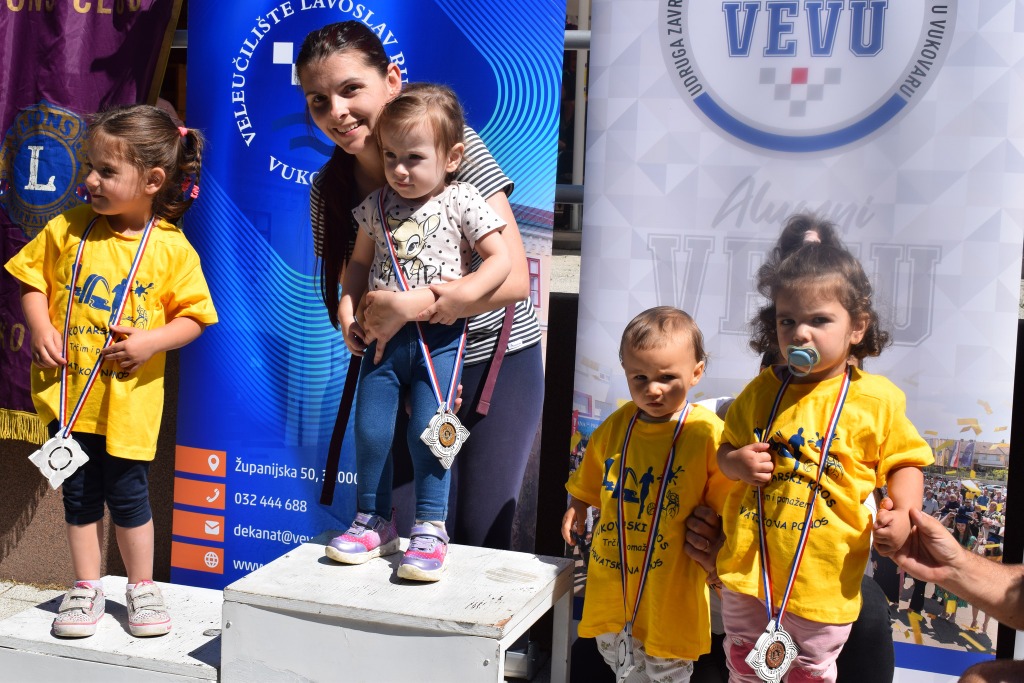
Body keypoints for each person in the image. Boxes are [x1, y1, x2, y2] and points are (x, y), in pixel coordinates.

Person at [296, 21, 544, 552]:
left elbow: (514, 279)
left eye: (350, 89)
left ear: (391, 79)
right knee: (403, 530)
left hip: (492, 363)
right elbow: (351, 280)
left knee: (480, 536)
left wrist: (412, 307)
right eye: (318, 100)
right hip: (397, 367)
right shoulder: (327, 190)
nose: (337, 111)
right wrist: (352, 319)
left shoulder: (453, 145)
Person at [4, 104, 217, 637]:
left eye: (106, 171)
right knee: (78, 497)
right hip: (70, 401)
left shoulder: (171, 248)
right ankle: (85, 587)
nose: (90, 181)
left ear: (152, 181)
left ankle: (141, 588)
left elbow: (195, 318)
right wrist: (40, 326)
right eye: (90, 167)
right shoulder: (67, 228)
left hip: (129, 408)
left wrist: (152, 341)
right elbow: (31, 281)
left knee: (129, 498)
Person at [715, 214, 932, 682]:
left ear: (857, 327)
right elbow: (725, 449)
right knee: (744, 663)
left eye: (819, 320)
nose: (800, 333)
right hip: (749, 571)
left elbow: (907, 462)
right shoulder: (760, 391)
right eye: (787, 320)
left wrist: (903, 513)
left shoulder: (876, 400)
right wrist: (735, 462)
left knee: (808, 670)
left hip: (822, 580)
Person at [324, 84, 511, 581]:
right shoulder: (375, 205)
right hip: (381, 344)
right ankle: (373, 520)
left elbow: (502, 261)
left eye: (414, 157)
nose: (400, 170)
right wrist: (347, 309)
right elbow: (357, 266)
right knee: (371, 430)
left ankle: (430, 526)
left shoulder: (463, 200)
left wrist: (464, 296)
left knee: (431, 430)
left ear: (452, 158)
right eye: (391, 156)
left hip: (439, 341)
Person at [562, 307, 733, 682]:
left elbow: (729, 504)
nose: (652, 389)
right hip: (615, 586)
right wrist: (578, 503)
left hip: (671, 592)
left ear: (696, 373)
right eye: (639, 377)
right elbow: (592, 472)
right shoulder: (617, 424)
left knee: (668, 671)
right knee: (620, 666)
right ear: (624, 369)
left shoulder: (707, 434)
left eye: (667, 377)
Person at [891, 505, 1024, 682]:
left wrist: (964, 561)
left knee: (958, 598)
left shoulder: (973, 538)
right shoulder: (953, 535)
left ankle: (961, 617)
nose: (960, 527)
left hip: (973, 572)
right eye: (959, 524)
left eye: (962, 525)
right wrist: (953, 568)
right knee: (948, 596)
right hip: (957, 574)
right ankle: (949, 612)